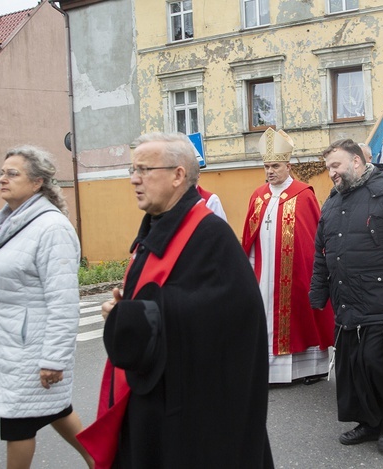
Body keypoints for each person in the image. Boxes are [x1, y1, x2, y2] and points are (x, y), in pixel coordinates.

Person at [82, 133, 273, 468]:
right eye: (132, 169)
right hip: (154, 392)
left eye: (144, 169)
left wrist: (140, 316)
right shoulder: (158, 225)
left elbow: (234, 316)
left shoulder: (210, 235)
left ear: (178, 175)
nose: (134, 179)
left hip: (189, 409)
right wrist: (126, 311)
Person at [0, 146, 93, 468]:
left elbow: (63, 301)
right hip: (8, 343)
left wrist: (53, 358)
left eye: (12, 173)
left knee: (17, 422)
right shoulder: (6, 222)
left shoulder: (52, 228)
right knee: (53, 409)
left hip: (29, 348)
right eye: (1, 172)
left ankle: (102, 459)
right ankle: (103, 459)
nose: (1, 179)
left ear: (37, 183)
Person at [310, 139, 383, 454]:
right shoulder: (332, 203)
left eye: (335, 166)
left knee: (376, 361)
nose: (331, 173)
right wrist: (317, 291)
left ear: (356, 162)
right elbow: (322, 253)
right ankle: (369, 421)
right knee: (352, 367)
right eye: (328, 168)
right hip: (347, 300)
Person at [242, 128, 334, 384]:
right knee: (265, 318)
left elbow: (314, 237)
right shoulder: (258, 197)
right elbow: (249, 238)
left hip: (296, 273)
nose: (270, 171)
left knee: (303, 316)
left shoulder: (304, 195)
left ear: (288, 165)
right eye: (266, 166)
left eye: (275, 165)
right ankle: (268, 372)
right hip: (263, 274)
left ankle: (311, 368)